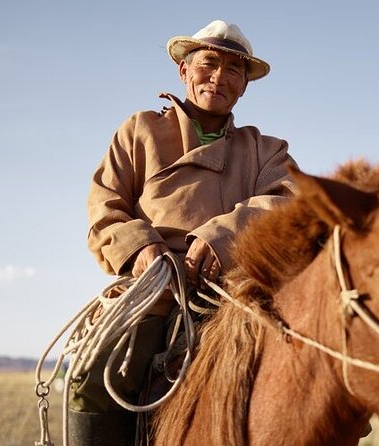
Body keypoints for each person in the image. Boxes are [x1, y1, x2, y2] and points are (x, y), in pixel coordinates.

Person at [70, 19, 296, 445]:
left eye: (234, 71)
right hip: (153, 288)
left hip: (238, 290)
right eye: (208, 64)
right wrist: (140, 248)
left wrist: (223, 237)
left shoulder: (267, 150)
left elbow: (288, 204)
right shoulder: (140, 131)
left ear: (244, 86)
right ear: (184, 71)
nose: (219, 78)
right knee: (94, 375)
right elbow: (105, 206)